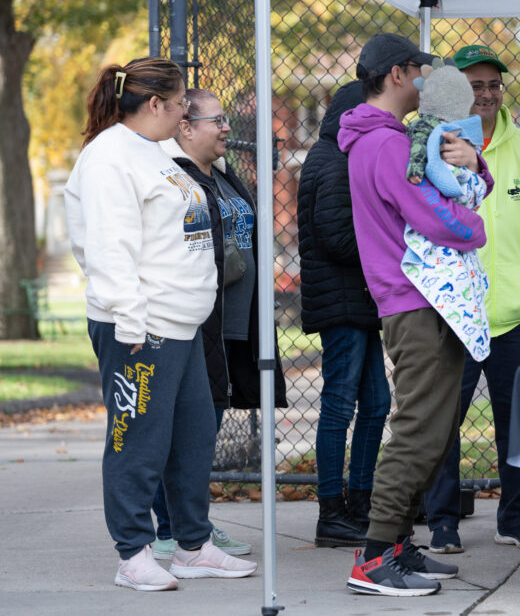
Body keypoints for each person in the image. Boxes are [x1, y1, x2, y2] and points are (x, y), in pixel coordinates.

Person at [65, 57, 257, 591]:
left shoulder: (156, 155)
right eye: (178, 106)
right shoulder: (109, 159)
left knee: (194, 437)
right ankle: (132, 553)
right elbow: (106, 247)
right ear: (155, 105)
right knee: (138, 442)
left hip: (182, 324)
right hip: (140, 326)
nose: (183, 115)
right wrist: (130, 321)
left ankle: (192, 546)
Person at [338, 33, 493, 597]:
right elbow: (436, 217)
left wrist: (474, 164)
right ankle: (375, 555)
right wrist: (476, 230)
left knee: (432, 427)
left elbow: (456, 187)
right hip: (416, 300)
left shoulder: (396, 139)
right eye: (422, 74)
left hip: (429, 300)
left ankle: (400, 546)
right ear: (399, 74)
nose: (428, 84)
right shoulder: (382, 146)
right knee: (417, 430)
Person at [422, 44, 520, 555]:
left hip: (513, 314)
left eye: (493, 85)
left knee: (518, 421)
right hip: (451, 313)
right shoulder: (433, 145)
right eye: (474, 85)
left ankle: (517, 518)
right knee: (442, 420)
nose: (485, 94)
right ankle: (441, 522)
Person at [147, 88, 287, 560]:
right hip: (196, 322)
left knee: (203, 429)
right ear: (185, 127)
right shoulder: (174, 178)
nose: (228, 127)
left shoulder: (221, 175)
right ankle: (173, 530)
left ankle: (194, 527)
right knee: (181, 430)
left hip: (232, 325)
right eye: (217, 120)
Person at [297, 80, 390, 547]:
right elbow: (336, 236)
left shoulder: (345, 154)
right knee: (339, 405)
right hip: (342, 301)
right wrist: (391, 250)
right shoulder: (333, 159)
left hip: (360, 301)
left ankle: (360, 502)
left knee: (376, 403)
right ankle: (331, 512)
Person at [402, 59, 491, 362]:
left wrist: (474, 164)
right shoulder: (422, 129)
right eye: (475, 88)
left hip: (468, 248)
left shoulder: (462, 130)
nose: (483, 96)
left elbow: (481, 184)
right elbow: (422, 157)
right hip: (446, 254)